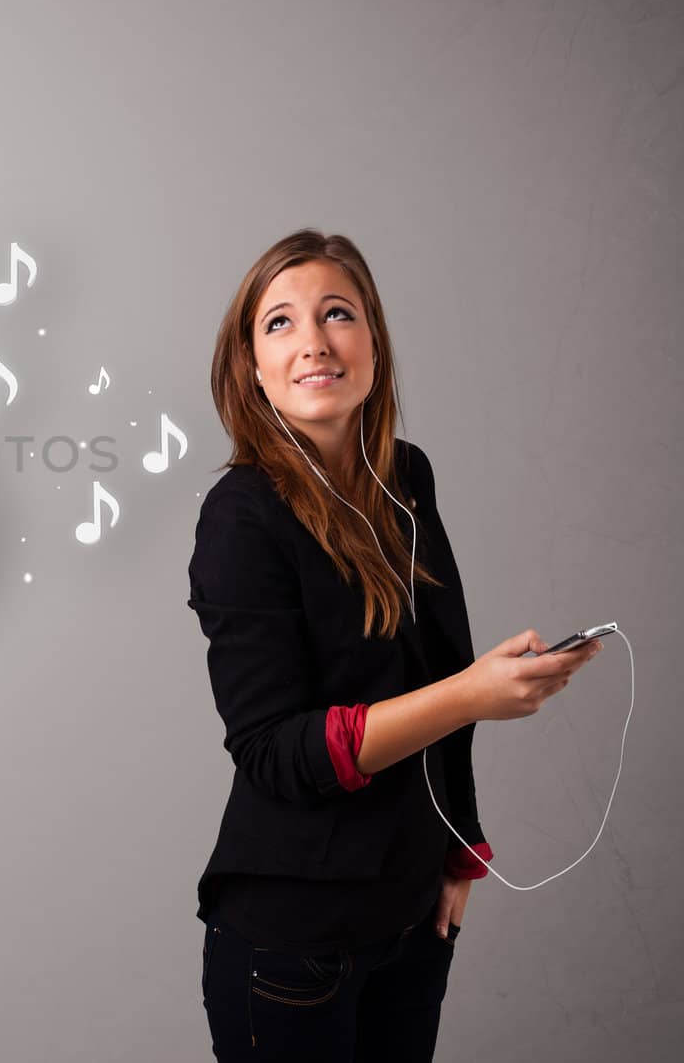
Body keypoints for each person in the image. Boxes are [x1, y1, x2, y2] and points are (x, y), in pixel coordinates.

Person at [188, 230, 604, 1061]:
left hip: (413, 919)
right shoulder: (240, 517)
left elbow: (442, 672)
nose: (313, 341)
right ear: (251, 367)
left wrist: (460, 853)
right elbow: (275, 751)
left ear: (372, 339)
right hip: (295, 942)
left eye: (337, 314)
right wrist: (473, 695)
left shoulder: (406, 479)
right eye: (279, 324)